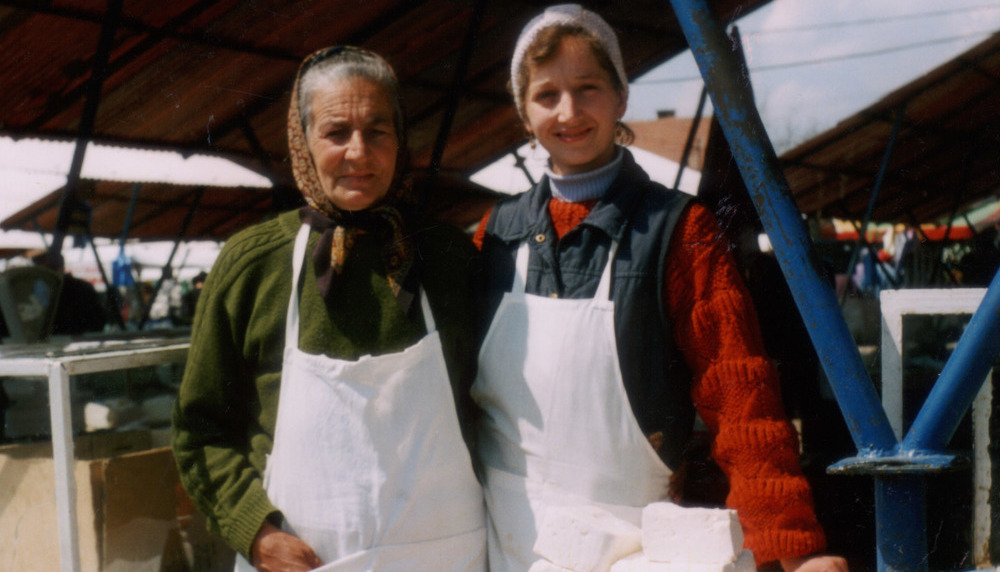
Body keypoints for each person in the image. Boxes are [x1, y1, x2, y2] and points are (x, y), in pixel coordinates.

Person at [471, 6, 848, 572]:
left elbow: (740, 397)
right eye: (547, 95)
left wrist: (793, 549)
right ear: (524, 112)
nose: (569, 112)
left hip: (630, 546)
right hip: (502, 540)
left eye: (588, 88)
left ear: (621, 96)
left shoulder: (682, 230)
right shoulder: (494, 235)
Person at [172, 46, 486, 572]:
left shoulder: (450, 257)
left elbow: (497, 412)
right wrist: (254, 530)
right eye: (336, 132)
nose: (358, 153)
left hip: (445, 555)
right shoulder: (253, 265)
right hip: (301, 562)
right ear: (303, 141)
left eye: (377, 131)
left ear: (400, 139)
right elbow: (200, 430)